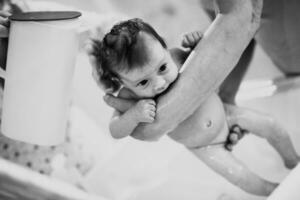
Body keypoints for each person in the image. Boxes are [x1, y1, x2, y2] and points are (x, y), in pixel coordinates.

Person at [89, 18, 299, 196]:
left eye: (162, 68)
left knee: (271, 125)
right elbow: (115, 129)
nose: (159, 83)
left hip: (227, 115)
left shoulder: (177, 56)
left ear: (165, 47)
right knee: (240, 176)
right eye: (143, 82)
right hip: (205, 147)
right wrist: (134, 115)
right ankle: (279, 192)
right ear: (124, 84)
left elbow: (210, 56)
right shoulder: (129, 97)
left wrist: (197, 44)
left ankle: (293, 161)